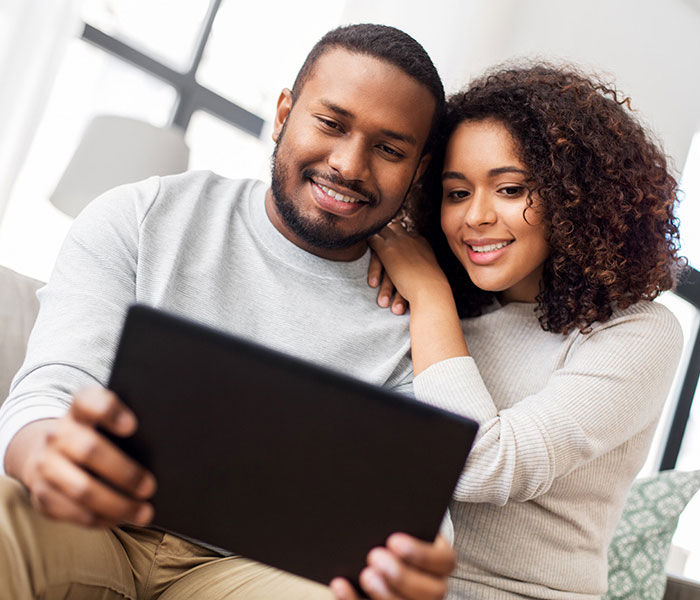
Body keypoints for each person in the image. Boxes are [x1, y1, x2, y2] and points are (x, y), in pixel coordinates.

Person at [0, 24, 456, 600]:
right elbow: (51, 386)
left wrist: (408, 565)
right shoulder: (142, 218)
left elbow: (413, 508)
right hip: (94, 526)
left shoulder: (414, 318)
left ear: (419, 170)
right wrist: (43, 450)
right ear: (284, 113)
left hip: (255, 574)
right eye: (330, 123)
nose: (348, 164)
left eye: (390, 150)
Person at [367, 63, 685, 599]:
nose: (476, 217)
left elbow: (486, 467)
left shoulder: (640, 333)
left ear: (577, 197)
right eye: (457, 193)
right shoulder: (447, 305)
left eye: (510, 189)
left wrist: (429, 295)